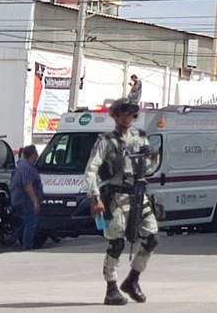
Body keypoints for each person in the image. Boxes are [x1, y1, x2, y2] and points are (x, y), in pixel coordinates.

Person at [85, 98, 160, 306]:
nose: (128, 118)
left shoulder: (139, 138)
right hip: (116, 197)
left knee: (152, 237)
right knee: (116, 242)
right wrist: (95, 197)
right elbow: (91, 170)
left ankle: (133, 279)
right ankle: (111, 287)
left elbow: (150, 169)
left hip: (138, 195)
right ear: (115, 116)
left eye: (131, 114)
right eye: (124, 113)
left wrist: (151, 157)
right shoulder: (106, 141)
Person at [10, 145, 43, 251]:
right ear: (32, 155)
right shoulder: (26, 167)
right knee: (30, 223)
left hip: (22, 200)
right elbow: (27, 185)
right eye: (36, 154)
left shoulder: (25, 166)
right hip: (25, 200)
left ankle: (22, 242)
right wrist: (35, 201)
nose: (37, 156)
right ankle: (27, 247)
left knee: (24, 223)